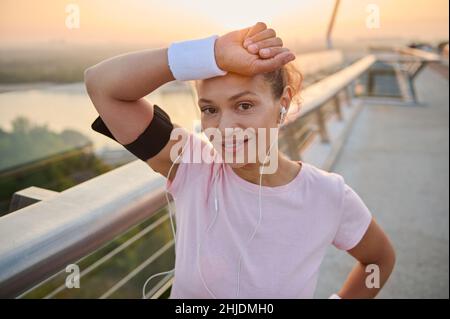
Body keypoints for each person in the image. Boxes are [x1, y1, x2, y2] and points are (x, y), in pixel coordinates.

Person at [85, 22, 395, 299]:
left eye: (244, 105)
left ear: (282, 104)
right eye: (210, 110)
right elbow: (101, 84)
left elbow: (379, 260)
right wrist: (212, 52)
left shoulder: (329, 196)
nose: (224, 128)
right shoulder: (193, 166)